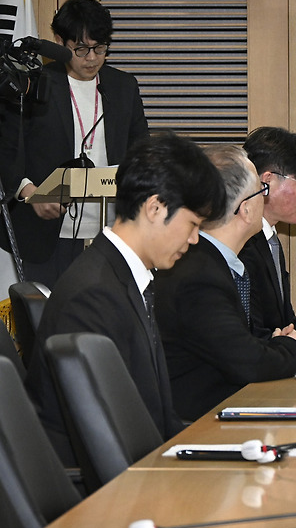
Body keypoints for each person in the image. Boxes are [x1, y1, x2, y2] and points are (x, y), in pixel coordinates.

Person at [22, 132, 223, 465]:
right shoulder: (94, 296)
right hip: (107, 487)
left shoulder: (122, 277)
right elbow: (107, 440)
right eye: (192, 224)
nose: (194, 239)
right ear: (155, 208)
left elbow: (155, 417)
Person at [155, 144, 296, 421]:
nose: (265, 197)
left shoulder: (211, 260)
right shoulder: (199, 275)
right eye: (261, 190)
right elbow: (247, 364)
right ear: (245, 209)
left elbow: (235, 345)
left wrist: (277, 345)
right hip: (200, 424)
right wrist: (293, 349)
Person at [0, 0, 150, 286]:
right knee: (46, 312)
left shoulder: (123, 86)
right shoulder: (33, 84)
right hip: (47, 234)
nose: (91, 58)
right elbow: (8, 150)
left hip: (112, 231)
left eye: (100, 48)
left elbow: (141, 150)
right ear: (60, 42)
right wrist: (29, 192)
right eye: (81, 49)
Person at [241, 127, 296, 338]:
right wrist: (291, 345)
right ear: (268, 180)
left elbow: (285, 320)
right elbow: (250, 331)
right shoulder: (242, 244)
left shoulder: (270, 240)